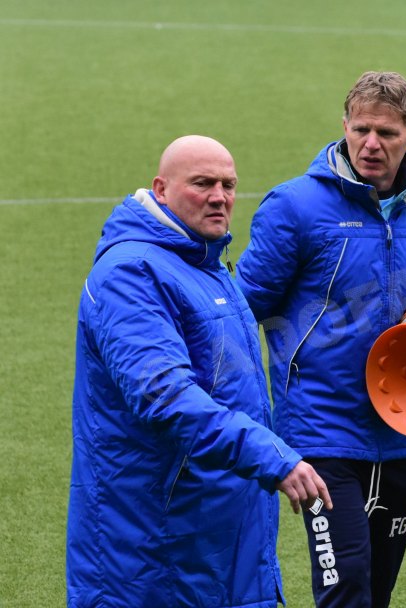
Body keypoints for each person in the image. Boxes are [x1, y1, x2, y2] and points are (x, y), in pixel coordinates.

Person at [236, 71, 406, 607]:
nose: (372, 144)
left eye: (388, 133)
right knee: (345, 586)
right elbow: (241, 309)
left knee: (377, 591)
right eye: (362, 129)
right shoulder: (295, 206)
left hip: (404, 427)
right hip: (321, 431)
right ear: (345, 127)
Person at [67, 135, 332, 608]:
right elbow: (165, 397)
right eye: (202, 183)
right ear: (161, 188)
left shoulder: (207, 266)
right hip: (155, 554)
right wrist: (272, 456)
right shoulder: (132, 275)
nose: (219, 196)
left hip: (221, 543)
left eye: (228, 184)